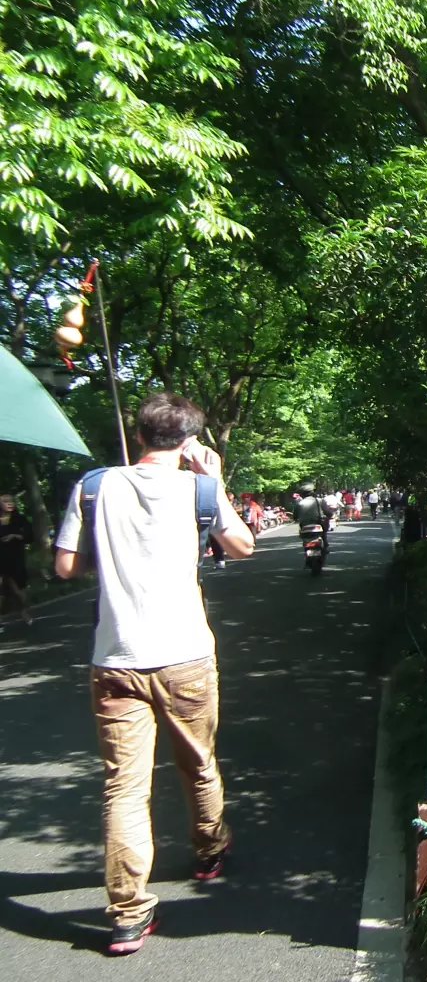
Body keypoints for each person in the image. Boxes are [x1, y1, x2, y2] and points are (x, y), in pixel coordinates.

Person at [54, 393, 254, 956]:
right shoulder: (200, 490)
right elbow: (242, 546)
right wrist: (215, 482)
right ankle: (209, 852)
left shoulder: (94, 487)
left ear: (138, 433)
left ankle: (127, 915)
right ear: (189, 443)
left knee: (124, 787)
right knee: (198, 762)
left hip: (115, 659)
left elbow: (65, 565)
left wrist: (111, 551)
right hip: (185, 656)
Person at [0, 493, 34, 626]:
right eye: (5, 501)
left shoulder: (20, 519)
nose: (9, 503)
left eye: (11, 501)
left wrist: (15, 536)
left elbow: (30, 535)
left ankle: (24, 611)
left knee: (19, 590)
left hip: (15, 559)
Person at [292, 482, 334, 553]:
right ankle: (325, 545)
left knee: (303, 534)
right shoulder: (320, 501)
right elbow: (328, 512)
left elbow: (295, 516)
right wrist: (330, 516)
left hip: (304, 525)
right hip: (319, 523)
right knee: (324, 532)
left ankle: (307, 545)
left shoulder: (299, 503)